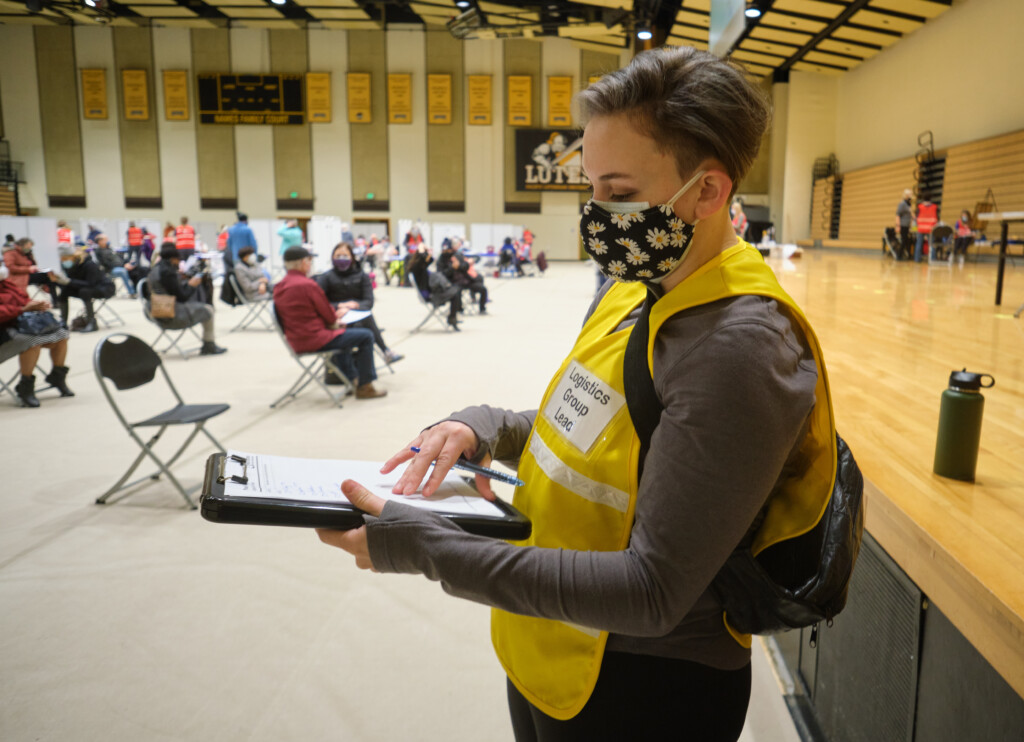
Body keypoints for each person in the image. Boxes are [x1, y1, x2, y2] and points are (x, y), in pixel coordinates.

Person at [315, 46, 837, 742]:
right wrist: (485, 425)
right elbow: (597, 426)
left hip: (642, 687)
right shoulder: (639, 285)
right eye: (590, 188)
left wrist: (426, 546)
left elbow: (651, 592)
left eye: (619, 193)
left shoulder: (740, 348)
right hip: (548, 642)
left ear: (709, 192)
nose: (597, 214)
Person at [273, 246, 386, 399]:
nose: (310, 264)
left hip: (296, 338)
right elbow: (328, 316)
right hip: (315, 338)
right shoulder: (307, 285)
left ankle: (352, 378)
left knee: (344, 336)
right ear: (302, 263)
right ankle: (365, 386)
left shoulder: (280, 286)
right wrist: (336, 321)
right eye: (309, 261)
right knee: (365, 336)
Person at [0, 264, 74, 407]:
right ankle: (25, 386)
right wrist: (22, 309)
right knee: (31, 341)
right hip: (5, 330)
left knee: (61, 335)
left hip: (15, 325)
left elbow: (22, 298)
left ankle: (57, 377)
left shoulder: (5, 283)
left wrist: (35, 304)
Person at [316, 242, 403, 364]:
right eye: (338, 255)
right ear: (332, 257)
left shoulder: (362, 276)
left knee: (366, 315)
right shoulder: (326, 277)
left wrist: (354, 306)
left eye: (345, 255)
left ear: (351, 257)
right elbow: (319, 303)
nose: (341, 259)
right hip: (335, 318)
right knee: (367, 321)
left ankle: (381, 354)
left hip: (357, 317)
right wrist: (339, 306)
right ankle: (385, 351)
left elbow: (368, 302)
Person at [149, 242, 226, 356]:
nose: (179, 262)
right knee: (209, 310)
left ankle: (209, 344)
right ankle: (209, 344)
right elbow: (182, 297)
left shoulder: (155, 269)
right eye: (178, 260)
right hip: (170, 313)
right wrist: (191, 285)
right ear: (173, 259)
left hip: (153, 310)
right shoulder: (168, 272)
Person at [49, 244, 114, 333]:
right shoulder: (70, 266)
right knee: (64, 291)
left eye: (65, 259)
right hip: (86, 288)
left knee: (85, 291)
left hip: (104, 288)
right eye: (61, 259)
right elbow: (70, 284)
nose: (63, 261)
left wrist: (68, 281)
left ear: (73, 256)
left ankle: (92, 322)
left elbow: (90, 284)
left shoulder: (89, 264)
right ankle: (63, 323)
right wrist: (58, 281)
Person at [406, 246, 462, 330]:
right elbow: (425, 258)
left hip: (433, 290)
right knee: (455, 293)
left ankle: (452, 318)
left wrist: (427, 252)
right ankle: (452, 319)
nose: (427, 255)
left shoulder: (421, 266)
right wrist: (422, 250)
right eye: (426, 253)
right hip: (430, 294)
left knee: (456, 291)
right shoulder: (417, 267)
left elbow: (431, 259)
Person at [439, 240, 488, 314]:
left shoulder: (457, 255)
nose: (447, 252)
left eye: (448, 250)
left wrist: (459, 266)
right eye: (445, 250)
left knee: (483, 289)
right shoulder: (441, 260)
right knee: (456, 292)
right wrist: (452, 268)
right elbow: (441, 274)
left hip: (466, 280)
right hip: (453, 282)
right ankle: (459, 309)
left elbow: (466, 265)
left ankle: (482, 309)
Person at [914, 196, 938, 262]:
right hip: (930, 229)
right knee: (931, 244)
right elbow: (937, 218)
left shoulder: (919, 207)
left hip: (920, 228)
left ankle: (917, 259)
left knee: (919, 244)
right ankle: (933, 259)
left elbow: (916, 218)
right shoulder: (934, 207)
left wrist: (915, 228)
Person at [896, 189, 914, 261]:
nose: (911, 196)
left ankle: (908, 255)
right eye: (910, 194)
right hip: (903, 225)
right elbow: (898, 215)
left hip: (907, 226)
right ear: (906, 195)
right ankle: (899, 256)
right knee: (904, 240)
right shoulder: (902, 204)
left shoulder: (908, 204)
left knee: (907, 240)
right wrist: (898, 225)